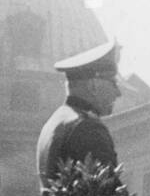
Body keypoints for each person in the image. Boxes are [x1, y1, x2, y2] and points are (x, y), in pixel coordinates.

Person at [37, 42, 121, 187]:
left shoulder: (54, 122)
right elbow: (107, 195)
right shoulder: (87, 128)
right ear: (93, 85)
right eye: (113, 82)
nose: (118, 93)